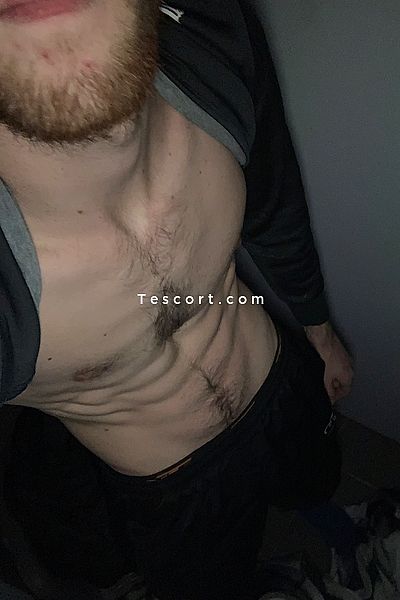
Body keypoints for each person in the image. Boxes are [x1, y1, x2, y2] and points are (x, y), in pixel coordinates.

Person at [0, 1, 354, 598]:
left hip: (280, 380)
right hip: (176, 486)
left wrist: (320, 332)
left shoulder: (209, 29)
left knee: (318, 483)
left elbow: (276, 206)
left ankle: (337, 533)